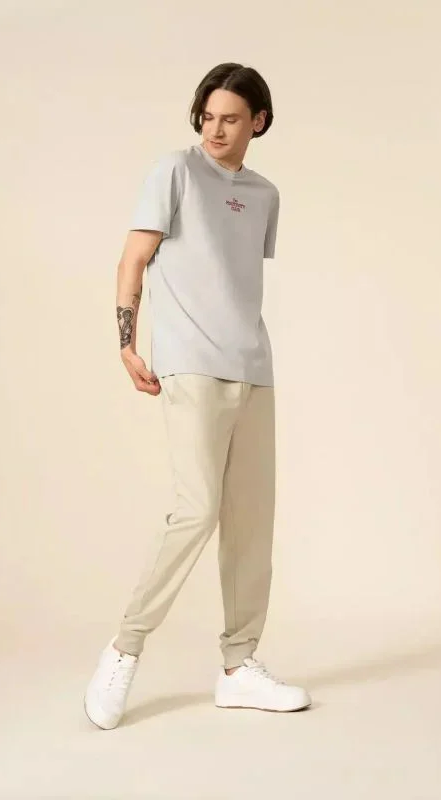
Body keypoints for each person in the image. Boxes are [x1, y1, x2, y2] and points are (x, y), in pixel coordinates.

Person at [84, 62, 311, 730]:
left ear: (258, 123)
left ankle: (240, 667)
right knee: (196, 509)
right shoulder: (174, 172)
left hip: (254, 369)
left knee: (251, 523)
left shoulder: (264, 195)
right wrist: (127, 343)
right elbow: (133, 260)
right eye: (208, 116)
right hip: (191, 366)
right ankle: (124, 648)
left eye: (231, 119)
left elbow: (231, 280)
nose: (215, 130)